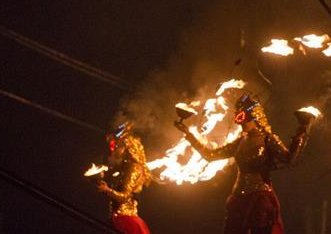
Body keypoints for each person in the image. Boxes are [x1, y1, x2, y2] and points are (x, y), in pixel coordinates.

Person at [174, 93, 309, 234]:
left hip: (259, 200)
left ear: (255, 118)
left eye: (244, 120)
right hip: (238, 199)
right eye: (239, 120)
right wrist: (187, 134)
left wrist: (301, 133)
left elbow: (289, 160)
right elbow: (210, 155)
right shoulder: (240, 142)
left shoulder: (268, 139)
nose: (241, 124)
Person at [95, 122, 152, 234]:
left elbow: (125, 196)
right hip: (120, 219)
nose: (114, 149)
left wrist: (108, 190)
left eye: (118, 146)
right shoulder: (126, 167)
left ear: (127, 148)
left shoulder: (133, 168)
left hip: (126, 222)